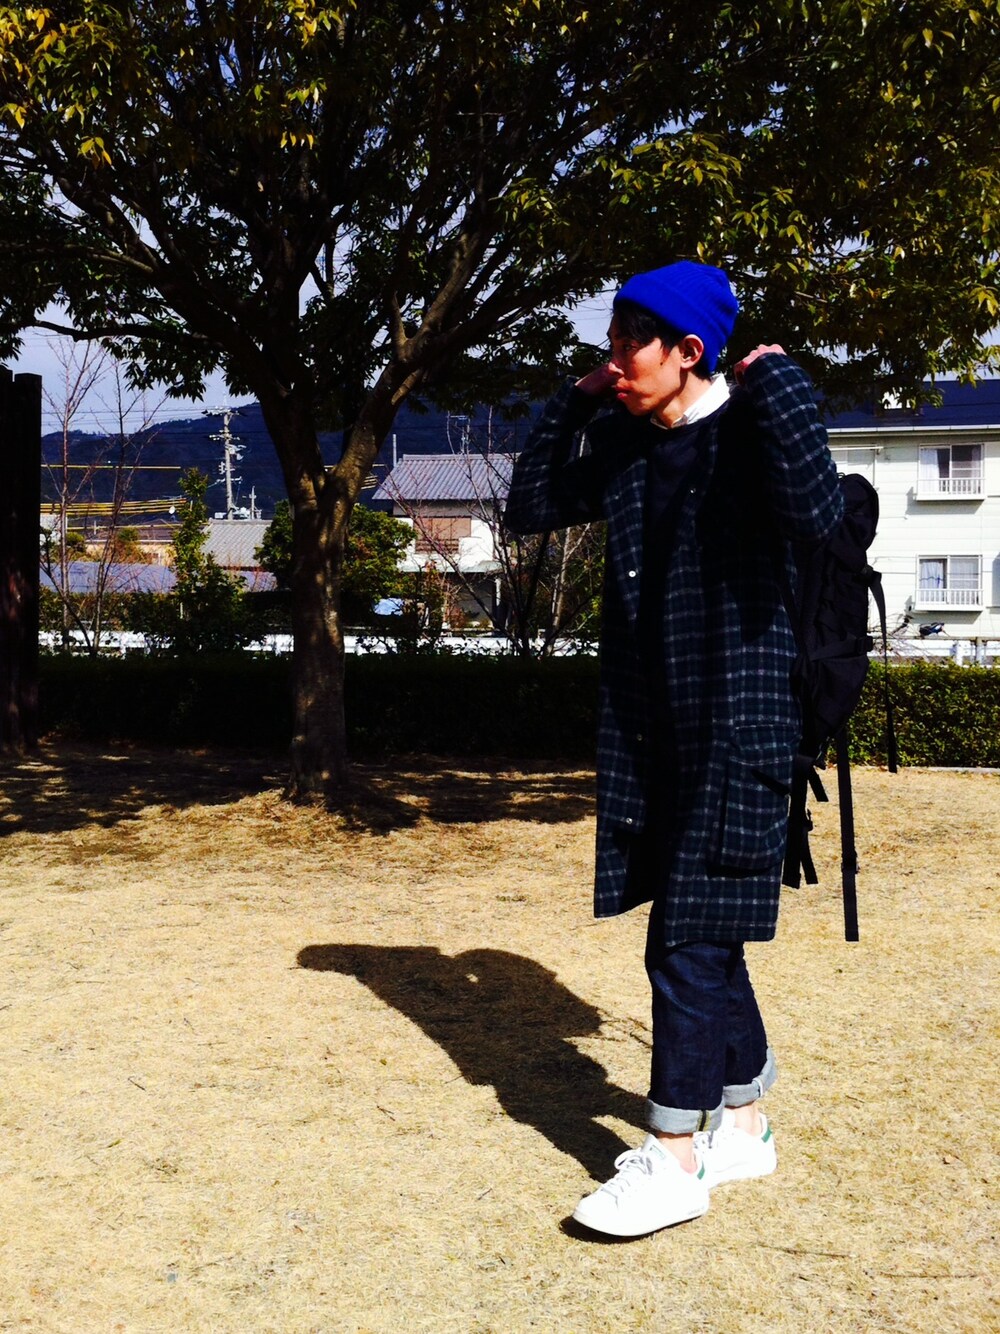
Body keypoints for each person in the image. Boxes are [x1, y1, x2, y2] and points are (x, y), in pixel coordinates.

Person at [503, 260, 843, 1238]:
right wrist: (571, 401)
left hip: (741, 728)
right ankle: (742, 1123)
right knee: (708, 928)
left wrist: (781, 379)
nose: (615, 361)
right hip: (654, 731)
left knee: (685, 939)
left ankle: (675, 1157)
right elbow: (530, 506)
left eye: (629, 345)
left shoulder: (750, 432)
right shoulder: (625, 440)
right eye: (608, 343)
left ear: (689, 350)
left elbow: (817, 512)